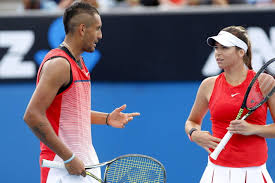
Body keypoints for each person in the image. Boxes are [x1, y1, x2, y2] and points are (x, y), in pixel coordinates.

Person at [23, 2, 140, 183]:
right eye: (98, 29)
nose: (100, 35)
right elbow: (32, 116)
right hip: (61, 169)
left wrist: (107, 118)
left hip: (83, 164)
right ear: (83, 29)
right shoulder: (59, 64)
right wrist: (68, 157)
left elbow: (69, 114)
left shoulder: (79, 63)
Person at [185, 26, 275, 183]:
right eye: (216, 48)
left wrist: (253, 129)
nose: (218, 53)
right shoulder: (208, 84)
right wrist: (194, 134)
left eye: (225, 47)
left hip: (253, 174)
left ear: (241, 52)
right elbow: (192, 121)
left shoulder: (264, 83)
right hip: (215, 173)